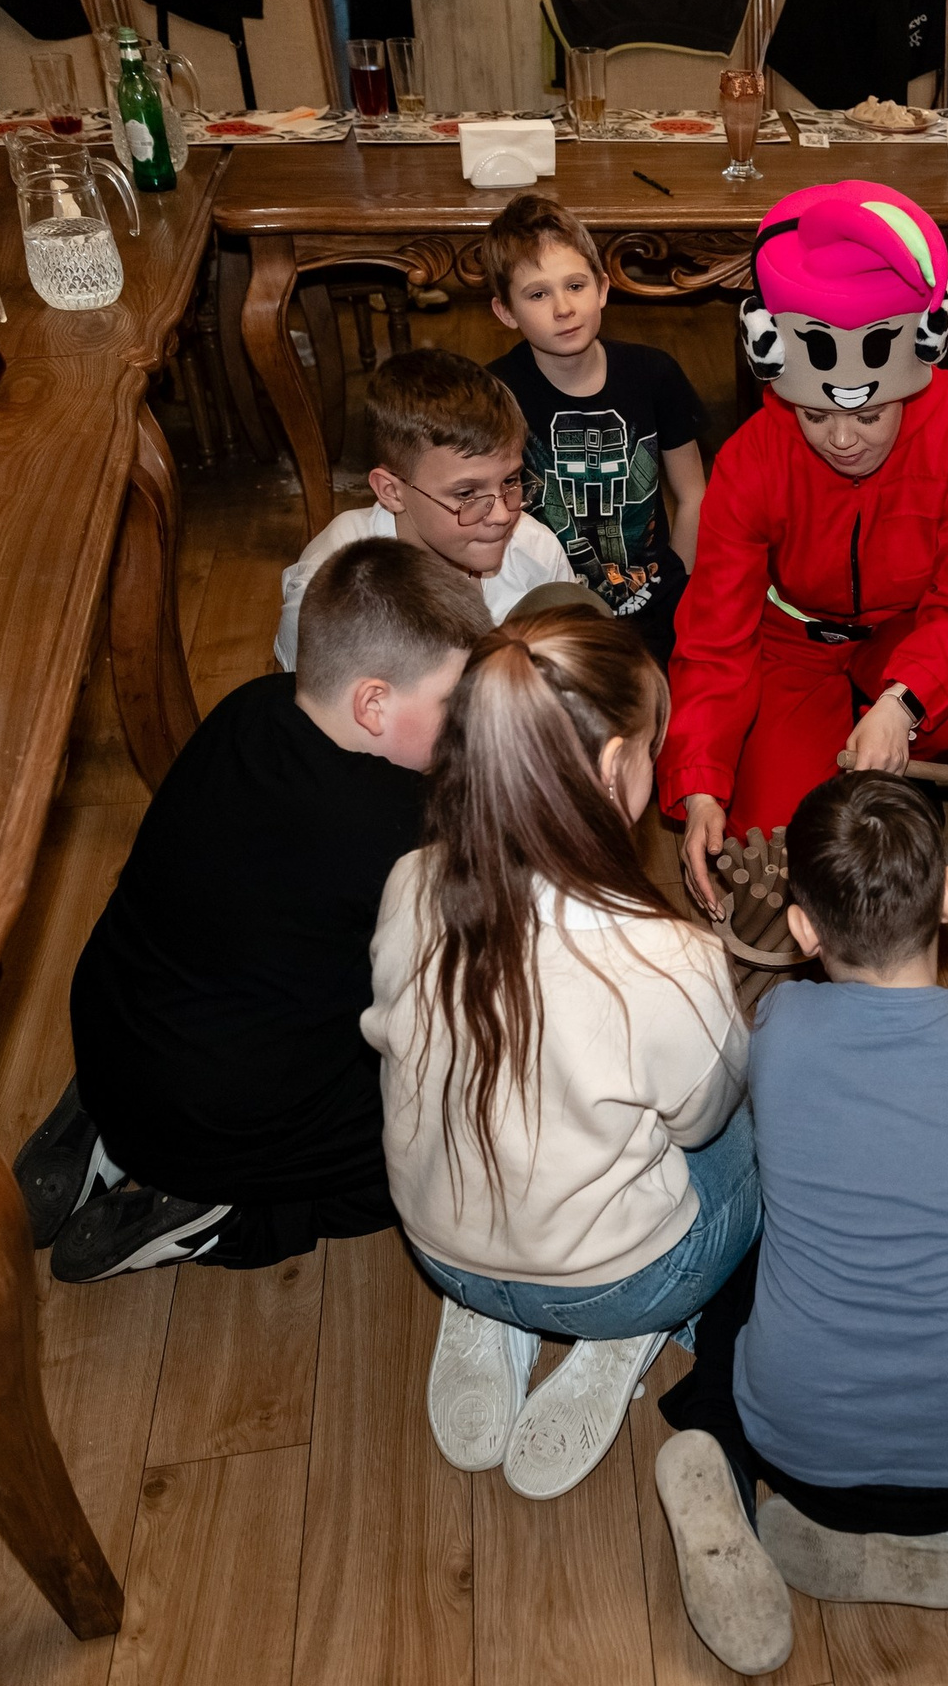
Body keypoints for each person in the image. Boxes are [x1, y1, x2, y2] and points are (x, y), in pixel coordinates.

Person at [652, 772, 948, 1677]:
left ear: (804, 930)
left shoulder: (781, 1022)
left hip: (796, 1442)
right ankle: (935, 1535)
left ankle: (726, 1462)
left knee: (755, 1270)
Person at [16, 538, 487, 1282]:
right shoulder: (402, 835)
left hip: (110, 1031)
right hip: (211, 1126)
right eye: (453, 702)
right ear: (373, 702)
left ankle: (103, 1130)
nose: (466, 722)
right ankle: (226, 1219)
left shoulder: (248, 707)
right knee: (434, 1149)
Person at [368, 609, 756, 1501]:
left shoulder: (409, 882)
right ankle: (631, 1329)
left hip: (439, 1249)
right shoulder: (670, 955)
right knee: (759, 1099)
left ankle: (485, 1304)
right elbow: (703, 1121)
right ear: (618, 768)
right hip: (619, 1281)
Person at [663, 181, 948, 910]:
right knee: (778, 848)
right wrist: (698, 785)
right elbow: (715, 633)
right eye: (815, 416)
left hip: (915, 637)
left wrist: (903, 703)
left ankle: (889, 746)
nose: (844, 439)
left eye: (872, 413)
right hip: (793, 644)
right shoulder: (754, 453)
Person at [484, 192, 710, 664]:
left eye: (575, 285)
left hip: (659, 606)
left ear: (603, 289)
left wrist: (683, 591)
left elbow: (692, 494)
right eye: (538, 294)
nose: (563, 308)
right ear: (506, 312)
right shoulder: (493, 394)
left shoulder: (654, 374)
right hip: (546, 617)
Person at [272, 349, 571, 671]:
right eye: (467, 493)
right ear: (392, 492)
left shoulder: (535, 550)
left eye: (510, 480)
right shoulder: (330, 595)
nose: (501, 515)